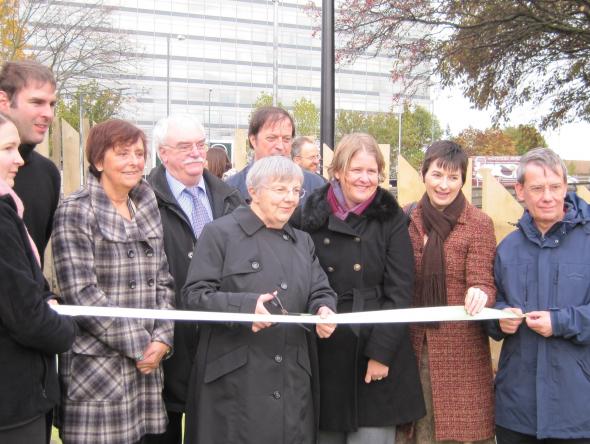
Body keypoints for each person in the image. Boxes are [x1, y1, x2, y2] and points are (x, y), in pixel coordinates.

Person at [182, 156, 337, 444]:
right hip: (235, 385)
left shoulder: (303, 241)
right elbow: (195, 295)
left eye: (296, 191)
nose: (290, 199)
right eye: (280, 190)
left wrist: (324, 309)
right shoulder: (219, 233)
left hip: (292, 382)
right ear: (253, 191)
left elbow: (320, 289)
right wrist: (243, 308)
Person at [292, 133, 425, 444]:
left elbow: (400, 290)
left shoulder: (390, 216)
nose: (366, 179)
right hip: (324, 346)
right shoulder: (307, 214)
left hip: (374, 348)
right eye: (356, 170)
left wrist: (381, 354)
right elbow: (297, 277)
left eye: (372, 171)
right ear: (338, 171)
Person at [52, 119, 175, 444]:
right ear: (98, 160)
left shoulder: (146, 204)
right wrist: (140, 344)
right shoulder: (75, 210)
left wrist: (162, 338)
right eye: (123, 153)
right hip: (99, 369)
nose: (134, 161)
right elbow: (81, 293)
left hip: (146, 367)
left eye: (139, 153)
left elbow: (163, 279)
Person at [147, 115, 244, 444]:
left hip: (221, 339)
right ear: (163, 153)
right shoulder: (142, 200)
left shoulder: (231, 199)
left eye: (200, 145)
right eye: (184, 146)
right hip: (164, 343)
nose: (196, 153)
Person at [487, 148, 590, 443]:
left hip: (577, 411)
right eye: (537, 188)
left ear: (565, 185)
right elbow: (494, 305)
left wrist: (560, 323)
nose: (548, 197)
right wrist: (499, 320)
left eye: (555, 187)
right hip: (517, 410)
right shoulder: (507, 248)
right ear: (520, 191)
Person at [399, 141, 497, 444]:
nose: (444, 185)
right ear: (424, 173)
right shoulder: (406, 219)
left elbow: (484, 280)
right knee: (417, 431)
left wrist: (480, 292)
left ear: (463, 180)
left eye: (453, 178)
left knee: (461, 433)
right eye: (438, 175)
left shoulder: (478, 223)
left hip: (461, 348)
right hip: (414, 346)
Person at [0, 114, 76, 444]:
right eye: (7, 148)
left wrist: (45, 300)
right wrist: (65, 329)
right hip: (12, 402)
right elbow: (25, 315)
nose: (18, 159)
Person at [0, 60, 59, 260]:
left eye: (52, 104)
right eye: (37, 102)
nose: (48, 114)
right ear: (4, 101)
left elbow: (33, 263)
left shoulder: (48, 174)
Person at [226, 106, 324, 203]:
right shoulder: (231, 189)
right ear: (253, 140)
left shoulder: (313, 184)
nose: (280, 146)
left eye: (286, 139)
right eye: (271, 138)